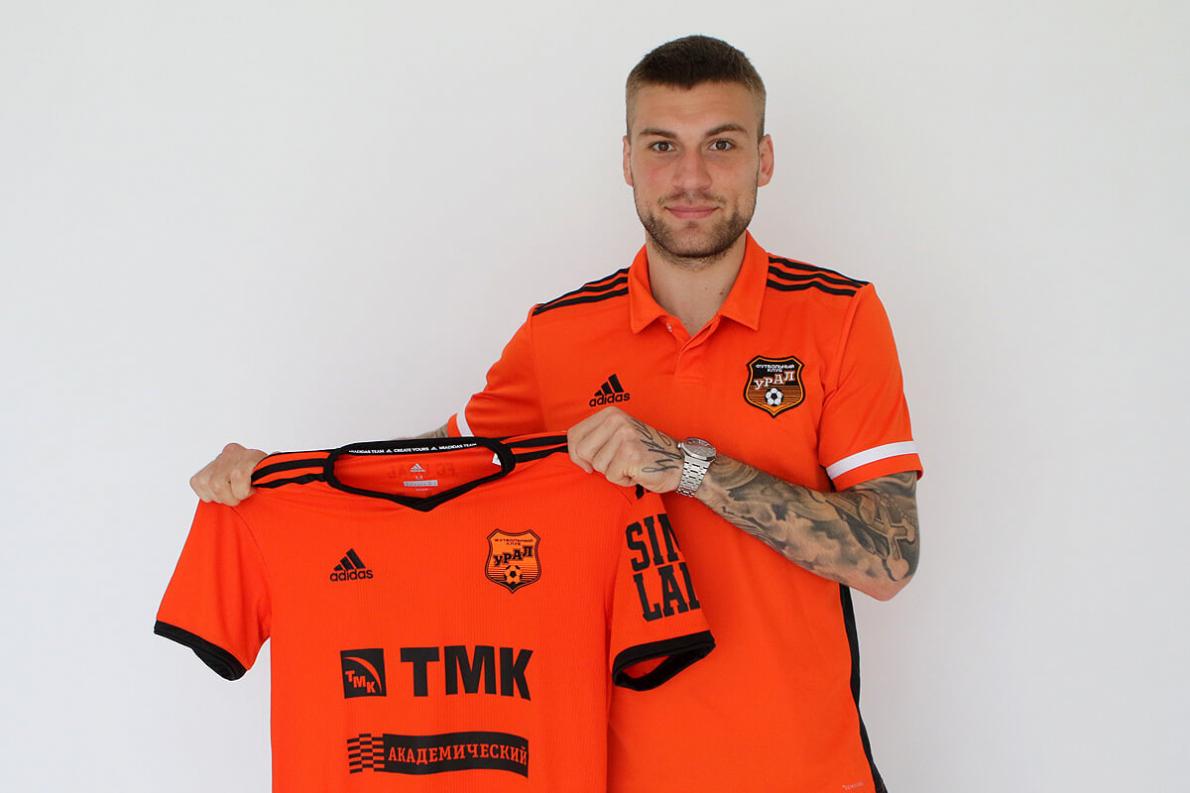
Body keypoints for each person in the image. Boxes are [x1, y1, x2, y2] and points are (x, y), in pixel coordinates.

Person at [191, 35, 922, 793]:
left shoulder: (840, 316)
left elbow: (891, 559)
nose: (691, 176)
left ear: (764, 160)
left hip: (805, 772)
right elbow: (431, 476)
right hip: (608, 776)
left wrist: (686, 466)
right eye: (662, 145)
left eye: (722, 144)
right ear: (627, 161)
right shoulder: (559, 334)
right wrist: (277, 479)